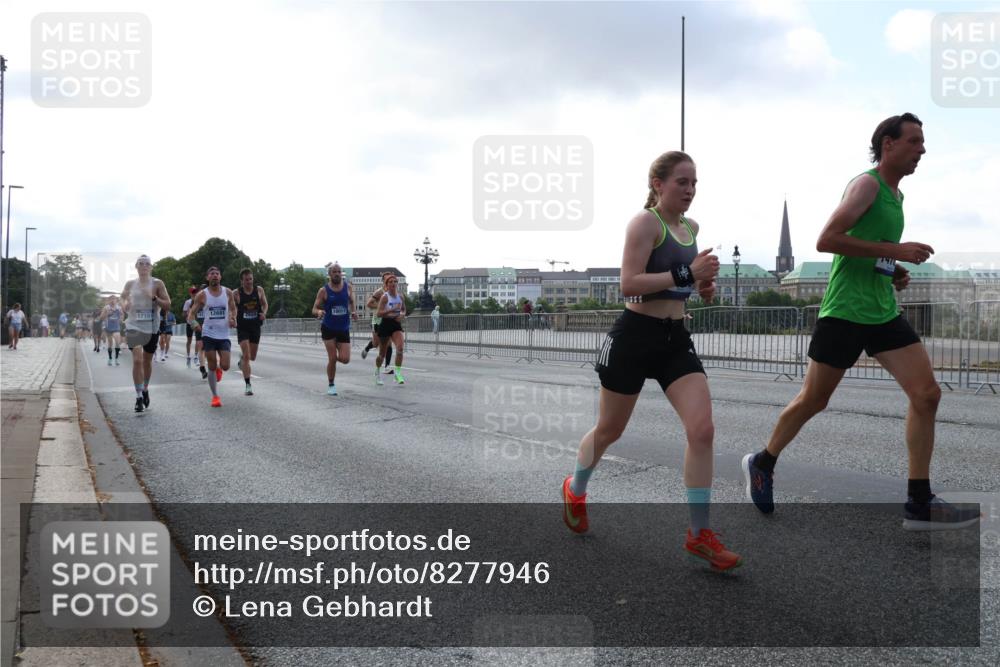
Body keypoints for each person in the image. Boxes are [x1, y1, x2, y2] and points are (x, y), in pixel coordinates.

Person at [743, 113, 980, 531]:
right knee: (814, 400)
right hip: (845, 313)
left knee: (927, 395)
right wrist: (898, 250)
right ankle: (763, 461)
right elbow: (827, 239)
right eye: (914, 141)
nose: (921, 149)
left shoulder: (896, 196)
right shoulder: (866, 184)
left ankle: (918, 501)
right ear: (888, 144)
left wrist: (894, 268)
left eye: (923, 143)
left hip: (882, 313)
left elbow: (872, 251)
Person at [561, 150, 741, 571]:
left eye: (695, 183)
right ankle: (576, 487)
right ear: (658, 184)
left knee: (703, 430)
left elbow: (685, 285)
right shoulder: (646, 223)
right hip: (634, 338)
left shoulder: (691, 229)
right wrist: (687, 275)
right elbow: (629, 284)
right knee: (610, 430)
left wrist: (703, 287)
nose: (690, 190)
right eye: (682, 182)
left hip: (675, 339)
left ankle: (699, 534)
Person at [121, 255, 171, 413]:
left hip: (151, 326)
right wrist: (126, 304)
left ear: (151, 267)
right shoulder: (130, 284)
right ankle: (138, 397)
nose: (143, 266)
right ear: (136, 266)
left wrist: (154, 298)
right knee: (137, 360)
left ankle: (145, 388)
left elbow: (168, 304)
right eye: (140, 264)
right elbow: (123, 300)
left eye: (147, 264)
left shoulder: (157, 283)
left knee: (147, 361)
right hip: (134, 325)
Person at [187, 267, 236, 407]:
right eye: (212, 274)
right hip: (208, 333)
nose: (215, 276)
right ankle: (215, 396)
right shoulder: (202, 295)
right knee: (212, 366)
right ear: (207, 277)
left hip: (224, 333)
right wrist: (195, 324)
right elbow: (191, 314)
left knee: (225, 366)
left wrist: (233, 318)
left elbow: (233, 308)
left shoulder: (227, 292)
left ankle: (220, 369)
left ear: (220, 277)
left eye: (217, 274)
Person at [311, 263, 356, 395]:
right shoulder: (324, 290)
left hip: (343, 327)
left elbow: (352, 301)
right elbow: (314, 309)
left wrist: (353, 312)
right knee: (332, 358)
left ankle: (333, 360)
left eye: (339, 271)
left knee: (345, 359)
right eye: (334, 272)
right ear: (330, 274)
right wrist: (319, 312)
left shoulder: (348, 287)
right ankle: (331, 384)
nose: (337, 274)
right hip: (329, 327)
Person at [234, 268, 269, 396]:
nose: (249, 281)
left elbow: (265, 304)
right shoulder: (236, 293)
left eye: (251, 279)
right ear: (242, 281)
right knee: (247, 356)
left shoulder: (259, 290)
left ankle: (241, 360)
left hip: (255, 326)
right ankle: (248, 385)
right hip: (242, 327)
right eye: (246, 279)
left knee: (252, 357)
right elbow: (231, 308)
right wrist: (232, 318)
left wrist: (263, 313)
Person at [375, 274, 407, 385]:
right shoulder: (385, 297)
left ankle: (397, 374)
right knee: (382, 354)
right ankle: (377, 372)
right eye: (390, 282)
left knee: (400, 348)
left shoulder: (401, 296)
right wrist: (391, 310)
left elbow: (403, 309)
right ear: (387, 285)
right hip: (385, 324)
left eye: (395, 282)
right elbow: (379, 313)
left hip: (396, 324)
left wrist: (402, 315)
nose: (393, 284)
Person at [361, 272, 394, 372]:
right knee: (376, 343)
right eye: (387, 279)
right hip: (377, 320)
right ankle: (367, 348)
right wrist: (380, 306)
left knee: (389, 343)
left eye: (391, 279)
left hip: (388, 320)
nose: (390, 281)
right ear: (383, 281)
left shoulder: (393, 292)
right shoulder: (379, 292)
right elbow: (369, 304)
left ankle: (387, 366)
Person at [101, 295, 124, 366]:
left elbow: (122, 315)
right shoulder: (106, 308)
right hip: (108, 327)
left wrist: (121, 319)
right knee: (110, 344)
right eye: (111, 299)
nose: (113, 301)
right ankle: (110, 358)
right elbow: (101, 317)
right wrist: (107, 314)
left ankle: (116, 359)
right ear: (109, 300)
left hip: (116, 327)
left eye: (114, 299)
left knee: (117, 342)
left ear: (116, 300)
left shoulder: (119, 308)